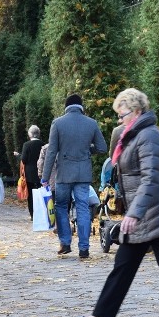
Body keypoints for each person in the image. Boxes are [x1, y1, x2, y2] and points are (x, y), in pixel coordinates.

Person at [75, 88, 159, 317]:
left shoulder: (148, 136)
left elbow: (151, 177)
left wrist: (134, 213)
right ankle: (103, 316)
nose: (119, 119)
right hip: (145, 210)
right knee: (127, 263)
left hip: (154, 210)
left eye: (122, 114)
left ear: (136, 111)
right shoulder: (134, 135)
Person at [41, 94, 106, 258]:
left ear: (66, 107)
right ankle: (84, 248)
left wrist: (45, 177)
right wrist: (86, 150)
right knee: (83, 207)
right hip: (83, 173)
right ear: (81, 106)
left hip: (64, 174)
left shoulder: (58, 123)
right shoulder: (91, 123)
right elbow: (102, 147)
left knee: (61, 206)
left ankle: (65, 243)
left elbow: (51, 152)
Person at [19, 125, 44, 219]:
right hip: (41, 172)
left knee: (30, 194)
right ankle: (41, 212)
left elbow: (24, 159)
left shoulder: (26, 145)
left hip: (29, 173)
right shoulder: (43, 144)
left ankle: (33, 214)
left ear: (30, 134)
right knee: (41, 193)